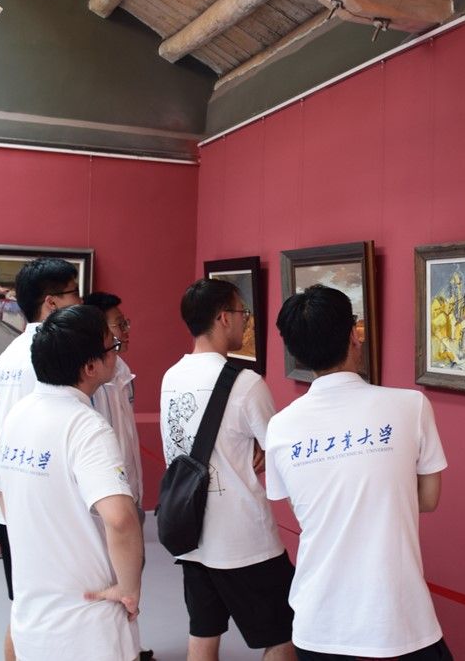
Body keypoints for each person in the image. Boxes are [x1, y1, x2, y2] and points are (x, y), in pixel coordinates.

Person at [268, 285, 452, 660]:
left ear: (295, 352)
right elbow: (428, 498)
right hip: (399, 620)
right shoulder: (410, 406)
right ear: (355, 335)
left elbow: (303, 508)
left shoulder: (280, 427)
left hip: (318, 623)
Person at [0, 304, 143, 661]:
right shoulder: (87, 427)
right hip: (88, 620)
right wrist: (128, 588)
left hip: (32, 615)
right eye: (111, 347)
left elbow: (1, 491)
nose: (117, 353)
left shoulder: (17, 414)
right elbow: (121, 518)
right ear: (90, 367)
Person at [159, 278, 295, 661]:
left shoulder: (172, 376)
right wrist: (260, 449)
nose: (245, 321)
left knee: (203, 636)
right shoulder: (246, 383)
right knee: (282, 637)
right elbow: (278, 452)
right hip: (245, 541)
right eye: (242, 313)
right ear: (223, 318)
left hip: (191, 536)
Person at [0, 257, 82, 661]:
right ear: (51, 302)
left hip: (12, 501)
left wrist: (3, 454)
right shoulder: (53, 354)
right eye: (74, 292)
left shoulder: (14, 349)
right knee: (51, 607)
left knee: (25, 603)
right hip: (44, 504)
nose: (80, 300)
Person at [83, 292, 143, 518]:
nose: (126, 331)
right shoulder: (88, 378)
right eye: (119, 325)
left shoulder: (122, 369)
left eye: (125, 323)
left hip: (130, 488)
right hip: (104, 500)